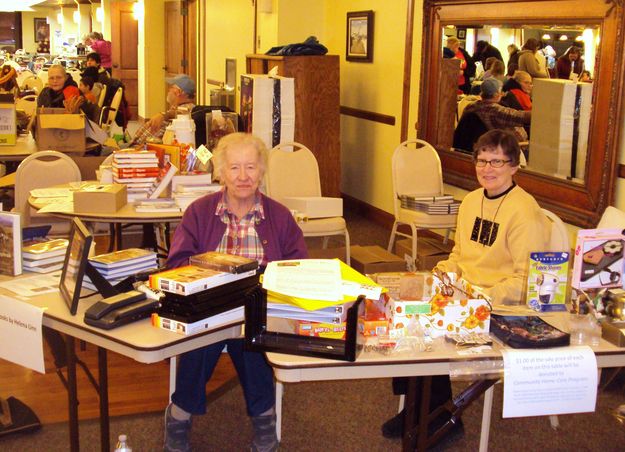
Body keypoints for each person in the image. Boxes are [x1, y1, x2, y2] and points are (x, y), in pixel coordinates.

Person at [382, 129, 549, 441]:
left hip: (500, 306)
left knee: (429, 331)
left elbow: (527, 281)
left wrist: (478, 296)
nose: (487, 169)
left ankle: (442, 417)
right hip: (462, 295)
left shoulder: (526, 212)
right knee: (405, 316)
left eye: (497, 162)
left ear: (514, 167)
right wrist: (444, 271)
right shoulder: (471, 201)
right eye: (482, 160)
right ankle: (418, 407)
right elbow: (459, 253)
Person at [163, 132, 308, 452]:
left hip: (259, 307)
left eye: (251, 167)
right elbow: (175, 264)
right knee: (202, 341)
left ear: (262, 171)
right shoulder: (199, 213)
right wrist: (211, 276)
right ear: (221, 172)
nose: (243, 176)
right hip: (208, 307)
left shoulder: (280, 216)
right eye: (234, 168)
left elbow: (300, 269)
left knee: (251, 338)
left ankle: (264, 419)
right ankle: (180, 415)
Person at [130, 74, 196, 145]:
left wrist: (164, 115)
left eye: (171, 87)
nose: (169, 90)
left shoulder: (187, 109)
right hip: (136, 146)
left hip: (144, 150)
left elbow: (184, 112)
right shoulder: (175, 108)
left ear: (178, 92)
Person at [461, 78, 531, 142]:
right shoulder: (496, 111)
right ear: (495, 95)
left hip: (472, 147)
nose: (502, 94)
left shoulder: (470, 107)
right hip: (500, 149)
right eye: (500, 91)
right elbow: (521, 116)